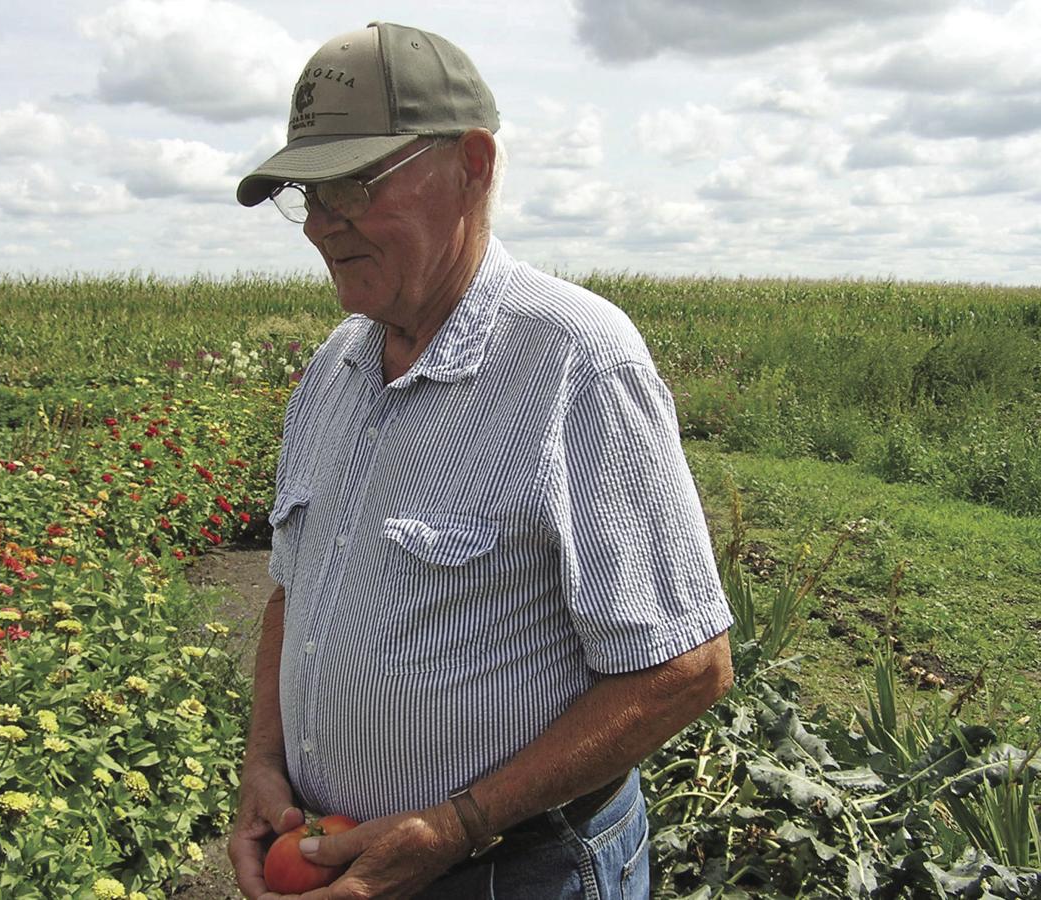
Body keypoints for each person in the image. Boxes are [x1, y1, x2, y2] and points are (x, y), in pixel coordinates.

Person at [227, 21, 734, 900]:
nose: (322, 226)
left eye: (353, 186)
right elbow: (290, 589)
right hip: (337, 858)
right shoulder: (335, 368)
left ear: (472, 164)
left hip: (519, 869)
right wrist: (263, 769)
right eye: (308, 193)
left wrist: (456, 823)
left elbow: (686, 668)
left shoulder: (575, 359)